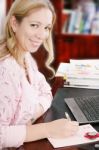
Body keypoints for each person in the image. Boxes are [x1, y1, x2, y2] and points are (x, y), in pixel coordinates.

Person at [0, 0, 79, 149]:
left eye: (47, 28)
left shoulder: (25, 57)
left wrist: (30, 115)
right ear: (14, 23)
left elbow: (46, 91)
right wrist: (47, 129)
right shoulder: (5, 70)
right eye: (34, 25)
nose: (42, 35)